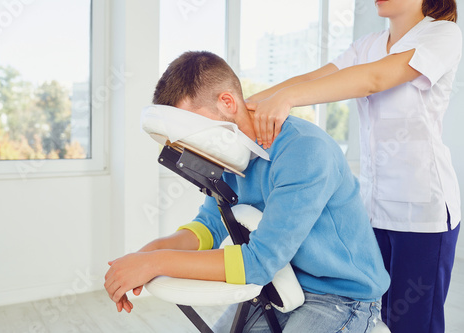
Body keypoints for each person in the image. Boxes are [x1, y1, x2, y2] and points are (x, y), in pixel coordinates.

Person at [104, 51, 390, 332]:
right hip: (280, 285)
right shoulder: (228, 157)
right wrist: (141, 257)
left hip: (340, 298)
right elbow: (209, 226)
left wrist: (154, 263)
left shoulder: (304, 151)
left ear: (227, 102)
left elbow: (259, 262)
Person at [245, 1, 461, 332]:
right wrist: (246, 108)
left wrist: (285, 101)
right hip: (372, 209)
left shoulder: (443, 34)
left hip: (422, 214)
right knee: (374, 319)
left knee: (412, 324)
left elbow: (373, 79)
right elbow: (316, 78)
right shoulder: (367, 45)